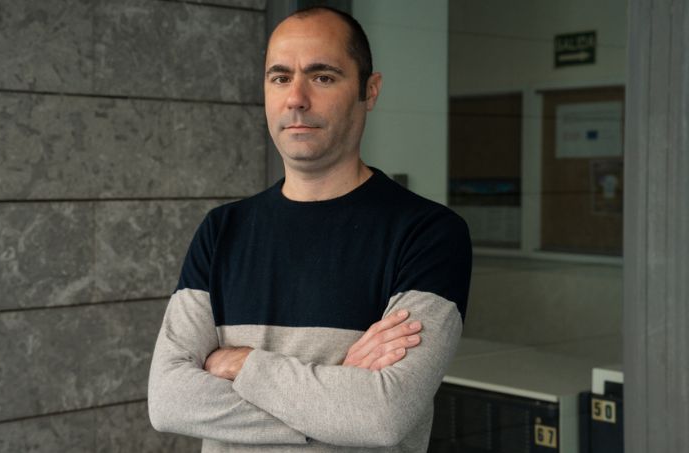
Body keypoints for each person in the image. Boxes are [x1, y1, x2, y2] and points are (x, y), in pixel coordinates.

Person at [148, 6, 471, 452]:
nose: (296, 98)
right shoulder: (222, 230)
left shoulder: (429, 234)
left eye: (322, 77)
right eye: (280, 78)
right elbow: (169, 400)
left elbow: (381, 415)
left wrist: (242, 364)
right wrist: (338, 400)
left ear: (369, 90)